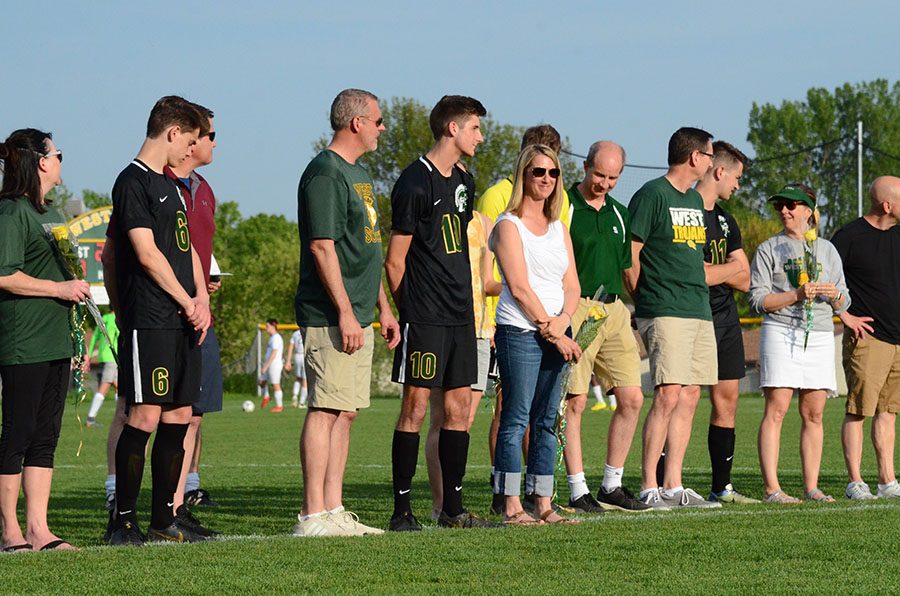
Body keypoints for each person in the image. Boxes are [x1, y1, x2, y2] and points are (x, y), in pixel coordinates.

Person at [385, 94, 499, 531]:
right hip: (426, 318)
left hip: (462, 316)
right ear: (453, 128)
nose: (480, 136)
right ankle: (402, 512)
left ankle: (452, 510)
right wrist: (411, 313)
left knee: (457, 412)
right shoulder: (414, 182)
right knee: (414, 409)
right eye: (475, 127)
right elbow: (395, 261)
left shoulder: (465, 181)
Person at [104, 96, 211, 545]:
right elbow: (145, 254)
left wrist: (201, 298)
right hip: (150, 317)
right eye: (187, 140)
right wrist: (186, 300)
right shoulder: (133, 181)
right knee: (145, 414)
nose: (189, 149)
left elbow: (186, 254)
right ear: (171, 133)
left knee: (181, 415)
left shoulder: (172, 185)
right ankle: (122, 520)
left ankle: (165, 518)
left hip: (184, 318)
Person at [294, 88, 400, 537]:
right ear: (356, 122)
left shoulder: (359, 174)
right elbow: (323, 247)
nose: (381, 128)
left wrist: (383, 306)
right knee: (325, 407)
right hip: (331, 314)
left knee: (346, 411)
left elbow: (365, 250)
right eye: (377, 120)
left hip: (360, 312)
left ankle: (334, 510)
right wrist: (344, 312)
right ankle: (312, 514)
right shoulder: (325, 173)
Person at [0, 128, 90, 552]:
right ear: (39, 161)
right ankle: (10, 531)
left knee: (44, 437)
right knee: (17, 435)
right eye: (58, 154)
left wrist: (79, 337)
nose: (59, 161)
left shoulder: (51, 214)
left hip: (58, 340)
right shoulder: (12, 212)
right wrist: (57, 290)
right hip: (24, 341)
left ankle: (39, 529)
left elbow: (70, 280)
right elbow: (4, 274)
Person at [624, 127, 721, 509]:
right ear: (695, 157)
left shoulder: (695, 203)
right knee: (667, 394)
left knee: (691, 394)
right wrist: (644, 297)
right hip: (664, 308)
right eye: (710, 155)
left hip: (698, 308)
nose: (713, 163)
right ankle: (649, 485)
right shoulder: (652, 194)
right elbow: (630, 254)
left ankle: (673, 484)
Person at [478, 124, 573, 500]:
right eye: (538, 171)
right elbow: (517, 287)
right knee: (515, 420)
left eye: (553, 172)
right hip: (519, 332)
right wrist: (552, 331)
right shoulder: (507, 224)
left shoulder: (558, 227)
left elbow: (573, 285)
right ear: (523, 175)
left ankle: (543, 502)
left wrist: (563, 324)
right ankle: (510, 502)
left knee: (547, 422)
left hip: (556, 332)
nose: (547, 178)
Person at [563, 141, 650, 513]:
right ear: (584, 166)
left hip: (614, 310)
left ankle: (611, 485)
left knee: (632, 398)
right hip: (576, 307)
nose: (605, 183)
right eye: (599, 174)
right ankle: (577, 488)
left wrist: (644, 304)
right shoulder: (563, 206)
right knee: (575, 402)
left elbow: (628, 267)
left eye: (613, 177)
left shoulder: (619, 213)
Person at [748, 184, 849, 503]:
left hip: (818, 335)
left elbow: (845, 301)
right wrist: (795, 295)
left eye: (792, 205)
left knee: (815, 413)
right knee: (776, 410)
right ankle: (772, 489)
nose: (785, 211)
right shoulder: (768, 249)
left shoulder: (827, 250)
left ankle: (811, 487)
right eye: (780, 206)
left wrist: (835, 296)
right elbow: (757, 300)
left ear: (809, 211)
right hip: (780, 332)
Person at [166, 104, 222, 525]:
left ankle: (177, 504)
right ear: (189, 139)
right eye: (210, 136)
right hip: (163, 316)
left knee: (192, 415)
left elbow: (197, 253)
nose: (215, 143)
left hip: (200, 317)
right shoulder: (155, 185)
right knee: (140, 414)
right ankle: (121, 498)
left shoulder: (203, 189)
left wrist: (208, 279)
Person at [425, 209, 501, 520]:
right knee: (442, 418)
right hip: (443, 326)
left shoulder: (483, 222)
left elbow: (487, 282)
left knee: (465, 420)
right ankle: (440, 505)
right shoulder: (432, 214)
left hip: (480, 330)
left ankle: (454, 503)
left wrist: (522, 283)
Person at [694, 141, 759, 504]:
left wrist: (717, 271)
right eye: (736, 177)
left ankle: (722, 487)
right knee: (681, 398)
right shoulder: (684, 211)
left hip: (726, 318)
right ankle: (661, 483)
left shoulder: (726, 220)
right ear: (719, 171)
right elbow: (694, 274)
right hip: (691, 315)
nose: (737, 185)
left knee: (727, 401)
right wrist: (726, 270)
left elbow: (746, 278)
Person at [831, 176, 900, 500]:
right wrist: (844, 315)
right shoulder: (849, 237)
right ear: (887, 205)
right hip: (869, 339)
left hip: (899, 341)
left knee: (888, 412)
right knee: (859, 410)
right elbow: (826, 279)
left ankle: (887, 482)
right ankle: (856, 482)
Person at [85, 309, 120, 428]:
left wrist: (89, 354)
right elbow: (120, 336)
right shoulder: (116, 320)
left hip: (103, 356)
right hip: (112, 356)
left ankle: (122, 416)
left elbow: (95, 337)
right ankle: (90, 418)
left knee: (119, 387)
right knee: (104, 387)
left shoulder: (103, 318)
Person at [258, 319, 284, 412]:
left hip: (274, 364)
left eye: (267, 326)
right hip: (269, 364)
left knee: (275, 385)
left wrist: (266, 366)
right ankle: (266, 396)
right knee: (261, 382)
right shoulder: (272, 338)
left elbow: (274, 353)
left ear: (273, 326)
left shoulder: (277, 338)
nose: (266, 328)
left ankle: (279, 406)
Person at [285, 327, 309, 408]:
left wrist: (288, 361)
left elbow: (291, 347)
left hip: (297, 356)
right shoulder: (308, 330)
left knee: (298, 378)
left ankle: (295, 396)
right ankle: (301, 403)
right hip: (305, 355)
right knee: (305, 380)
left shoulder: (295, 333)